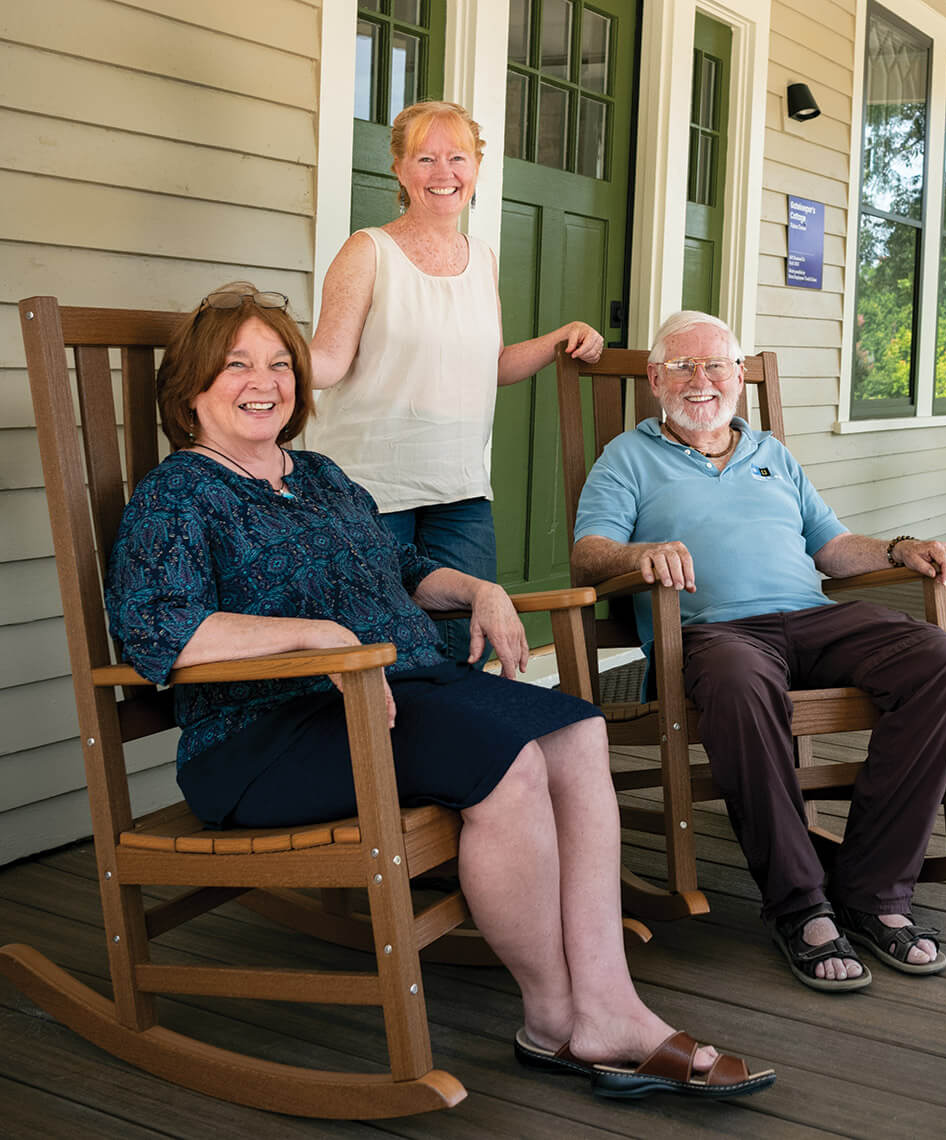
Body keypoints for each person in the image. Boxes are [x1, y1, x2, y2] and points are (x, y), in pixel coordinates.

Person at [103, 286, 774, 1100]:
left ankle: (607, 1002)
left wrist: (476, 589)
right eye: (237, 364)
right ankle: (558, 1014)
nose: (264, 380)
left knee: (577, 732)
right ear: (192, 390)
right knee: (509, 764)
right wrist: (318, 636)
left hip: (390, 695)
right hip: (265, 732)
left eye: (281, 362)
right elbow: (156, 628)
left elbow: (397, 571)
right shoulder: (179, 494)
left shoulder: (314, 474)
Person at [571, 311, 946, 992]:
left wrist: (901, 548)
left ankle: (874, 891)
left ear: (738, 377)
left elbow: (834, 551)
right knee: (737, 680)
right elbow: (588, 556)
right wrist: (642, 555)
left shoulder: (772, 453)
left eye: (717, 366)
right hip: (713, 635)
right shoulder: (627, 457)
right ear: (655, 378)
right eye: (683, 367)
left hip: (812, 620)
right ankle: (800, 904)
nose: (702, 381)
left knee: (941, 662)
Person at [306, 100, 604, 661]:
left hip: (460, 490)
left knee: (462, 653)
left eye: (457, 158)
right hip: (371, 491)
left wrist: (560, 336)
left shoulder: (482, 258)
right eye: (425, 158)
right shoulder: (367, 250)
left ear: (476, 168)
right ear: (398, 169)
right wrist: (261, 362)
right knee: (382, 655)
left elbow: (486, 368)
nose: (444, 174)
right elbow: (327, 362)